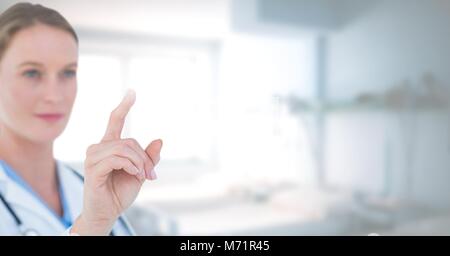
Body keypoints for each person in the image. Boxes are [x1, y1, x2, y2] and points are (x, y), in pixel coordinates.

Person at [0, 2, 163, 236]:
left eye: (68, 72)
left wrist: (102, 219)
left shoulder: (88, 186)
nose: (54, 95)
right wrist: (92, 227)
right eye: (32, 73)